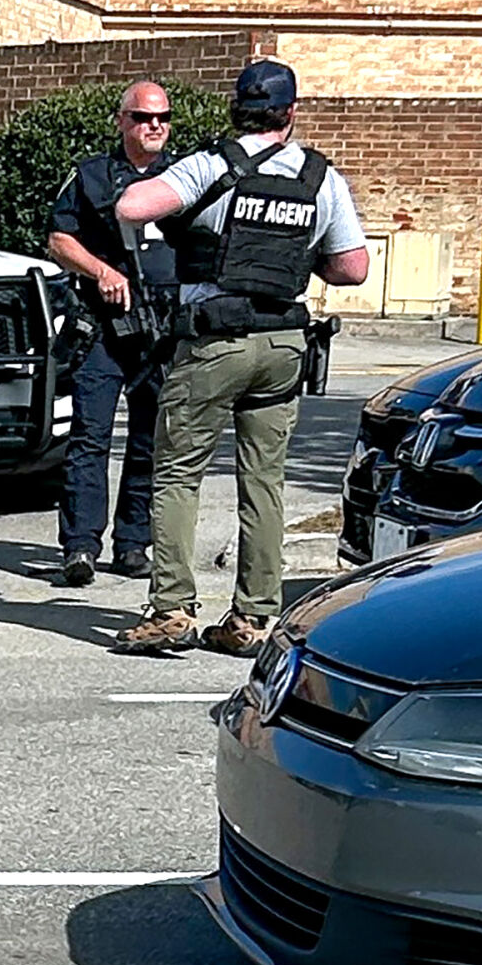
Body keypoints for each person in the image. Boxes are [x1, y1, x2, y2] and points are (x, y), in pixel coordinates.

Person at [110, 59, 369, 656]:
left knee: (177, 474)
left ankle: (172, 610)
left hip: (214, 338)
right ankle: (253, 617)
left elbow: (132, 207)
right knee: (264, 480)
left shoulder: (214, 164)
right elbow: (353, 267)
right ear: (291, 113)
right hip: (283, 343)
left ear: (236, 109)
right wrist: (301, 259)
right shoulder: (319, 177)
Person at [47, 81, 177, 587]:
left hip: (161, 327)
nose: (155, 127)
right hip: (103, 326)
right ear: (122, 120)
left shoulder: (185, 177)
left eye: (163, 118)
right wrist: (101, 270)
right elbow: (60, 239)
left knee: (151, 439)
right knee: (90, 437)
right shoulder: (90, 176)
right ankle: (80, 545)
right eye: (144, 117)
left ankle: (133, 542)